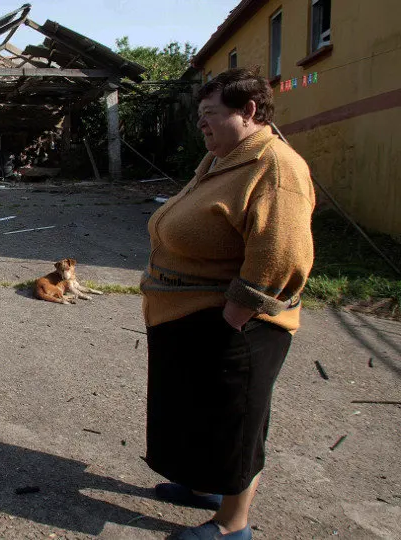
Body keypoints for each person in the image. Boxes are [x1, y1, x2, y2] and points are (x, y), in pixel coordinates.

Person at [140, 68, 315, 540]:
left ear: (249, 111)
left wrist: (240, 310)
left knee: (238, 422)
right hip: (188, 313)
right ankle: (205, 484)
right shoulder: (223, 160)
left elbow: (283, 253)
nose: (202, 124)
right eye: (200, 116)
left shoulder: (275, 167)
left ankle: (232, 526)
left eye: (210, 115)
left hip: (237, 323)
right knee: (196, 410)